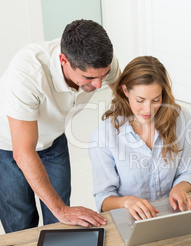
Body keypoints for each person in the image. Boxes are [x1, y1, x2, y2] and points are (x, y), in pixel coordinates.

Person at [0, 19, 120, 233]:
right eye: (89, 77)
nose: (99, 85)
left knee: (59, 222)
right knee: (21, 221)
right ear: (63, 60)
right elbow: (23, 152)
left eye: (104, 75)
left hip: (53, 140)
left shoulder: (99, 64)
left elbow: (128, 95)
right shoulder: (27, 74)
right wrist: (62, 210)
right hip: (8, 146)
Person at [89, 56, 191, 221]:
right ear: (125, 91)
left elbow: (190, 172)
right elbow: (103, 198)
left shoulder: (180, 118)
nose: (148, 110)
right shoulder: (104, 135)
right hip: (131, 220)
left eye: (156, 100)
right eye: (140, 100)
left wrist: (179, 188)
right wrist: (127, 202)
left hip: (174, 214)